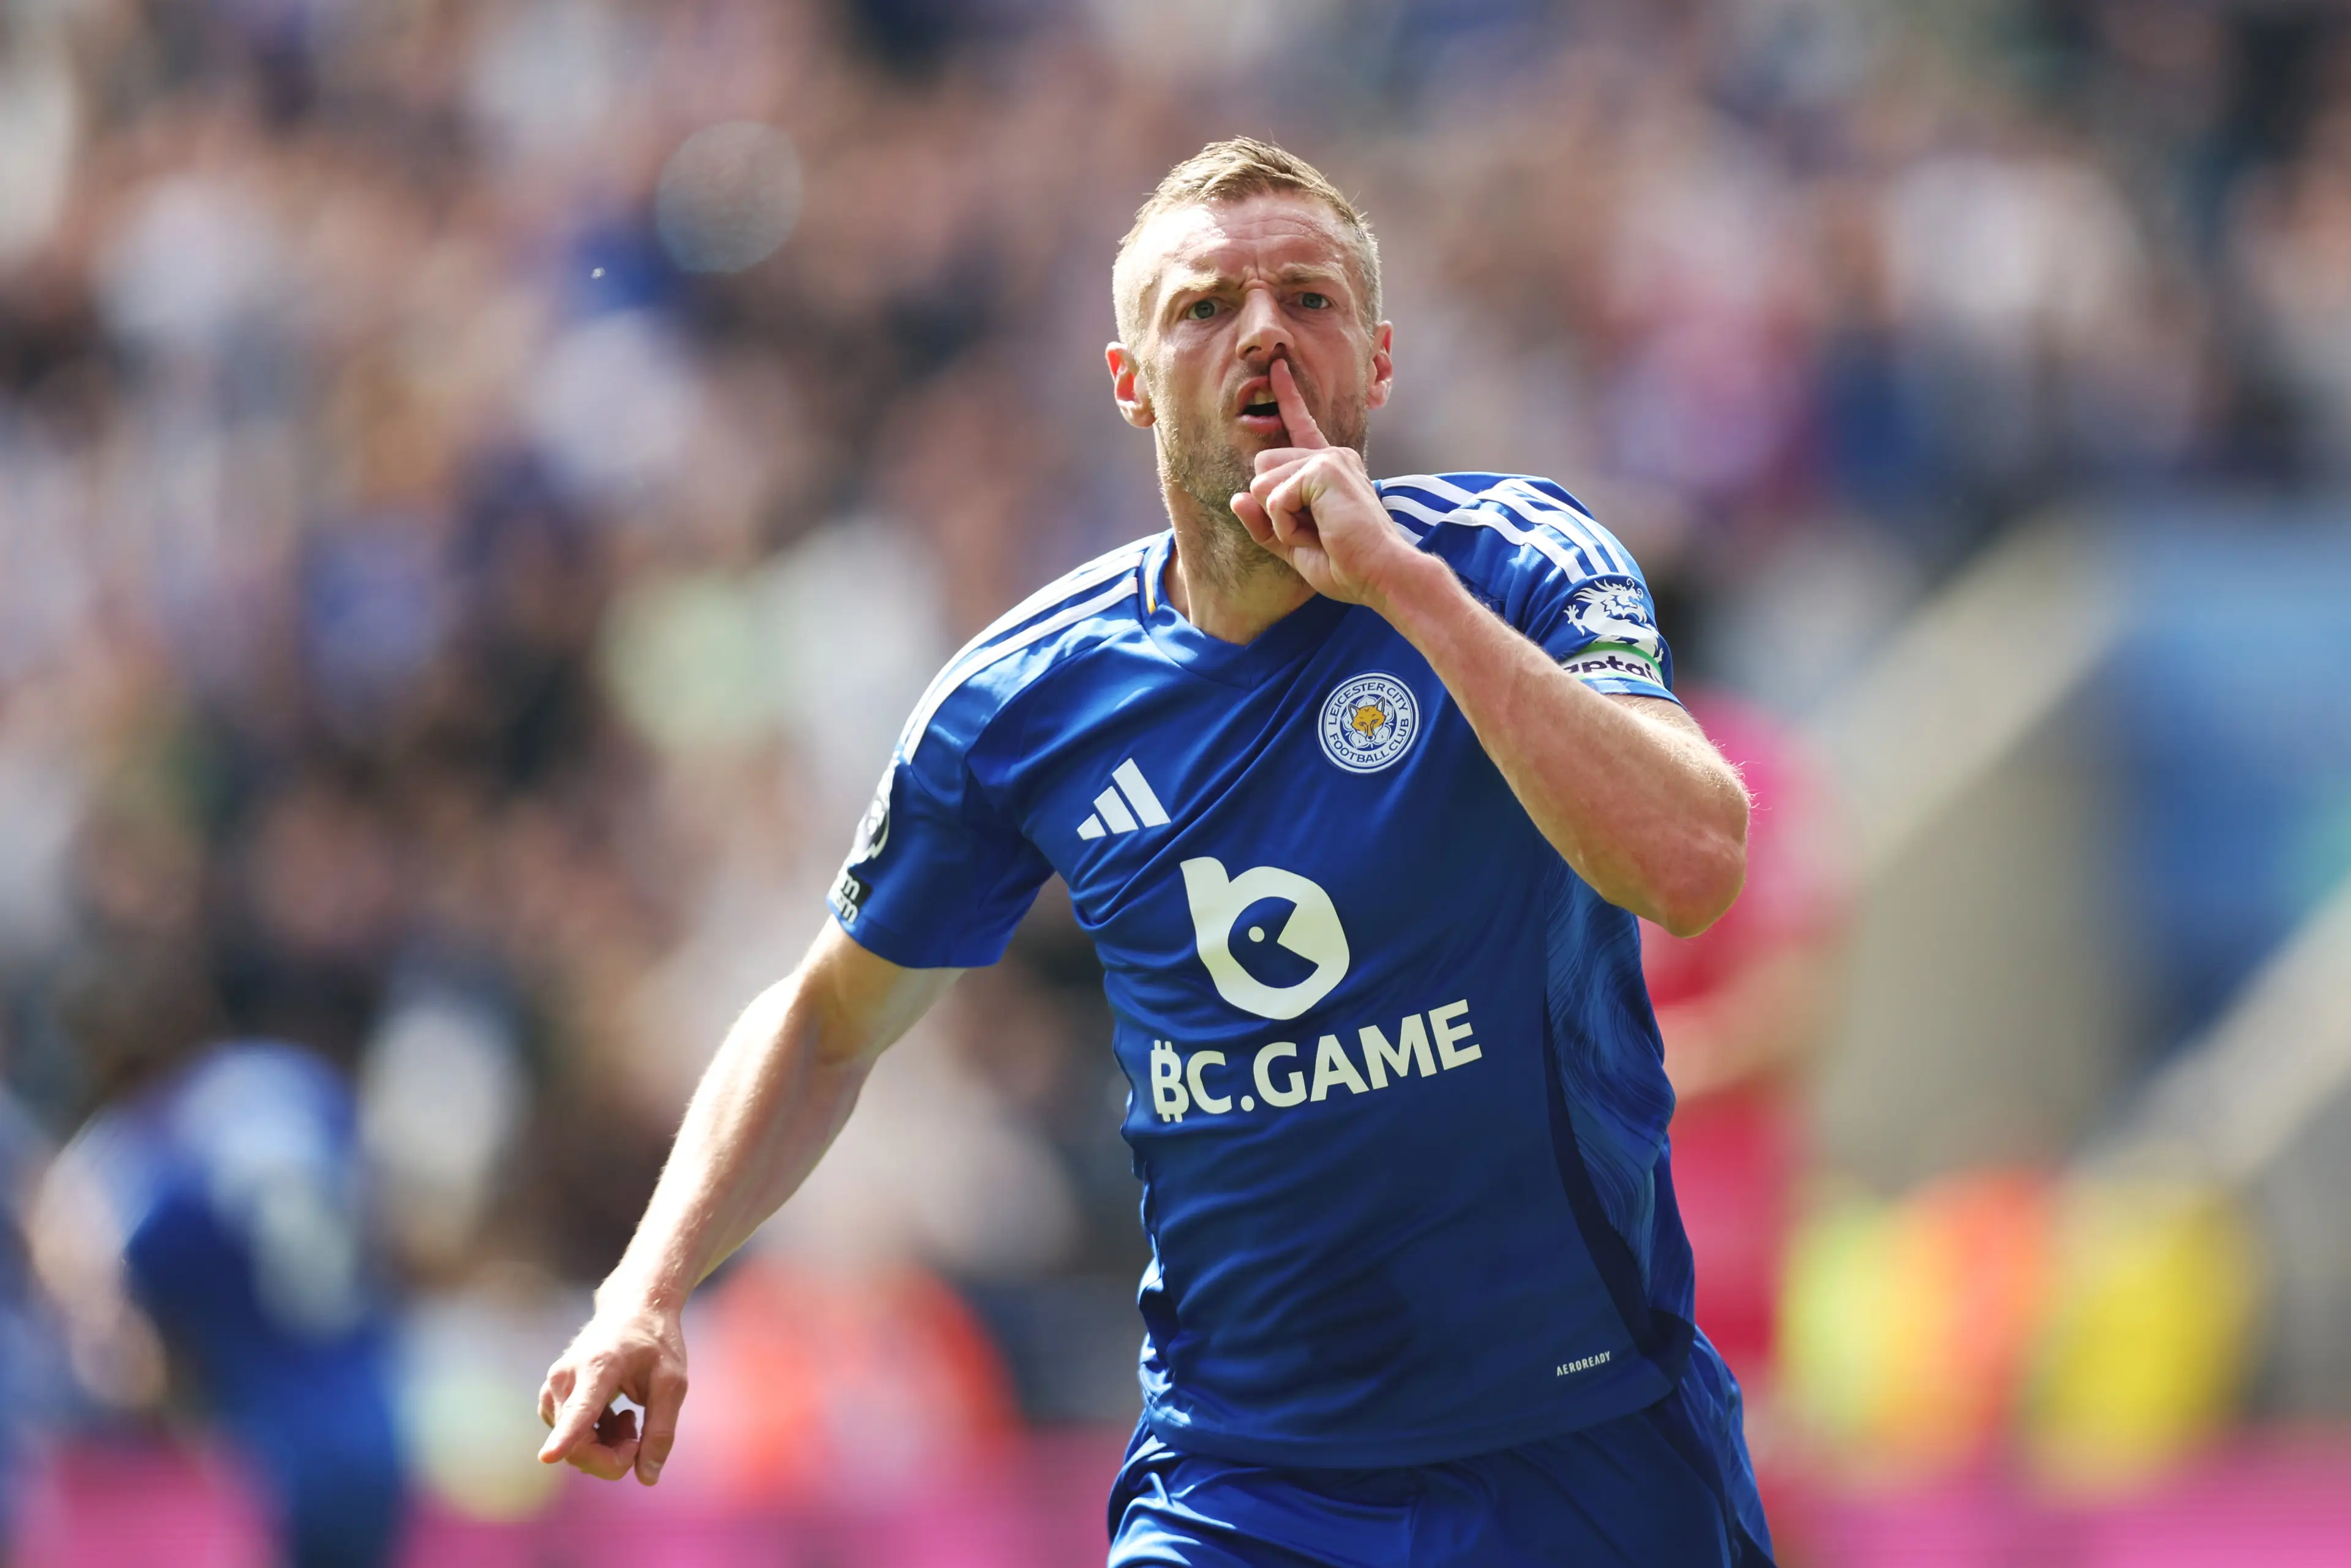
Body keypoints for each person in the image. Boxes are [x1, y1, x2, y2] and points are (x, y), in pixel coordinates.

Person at [538, 138, 1771, 1566]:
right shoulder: (1027, 699)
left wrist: (1404, 588)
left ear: (1378, 359)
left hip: (1582, 1438)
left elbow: (1693, 862)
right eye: (1205, 307)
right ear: (1129, 380)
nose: (1264, 333)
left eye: (1309, 297)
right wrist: (645, 1288)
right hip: (1247, 1478)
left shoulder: (1516, 561)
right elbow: (824, 1020)